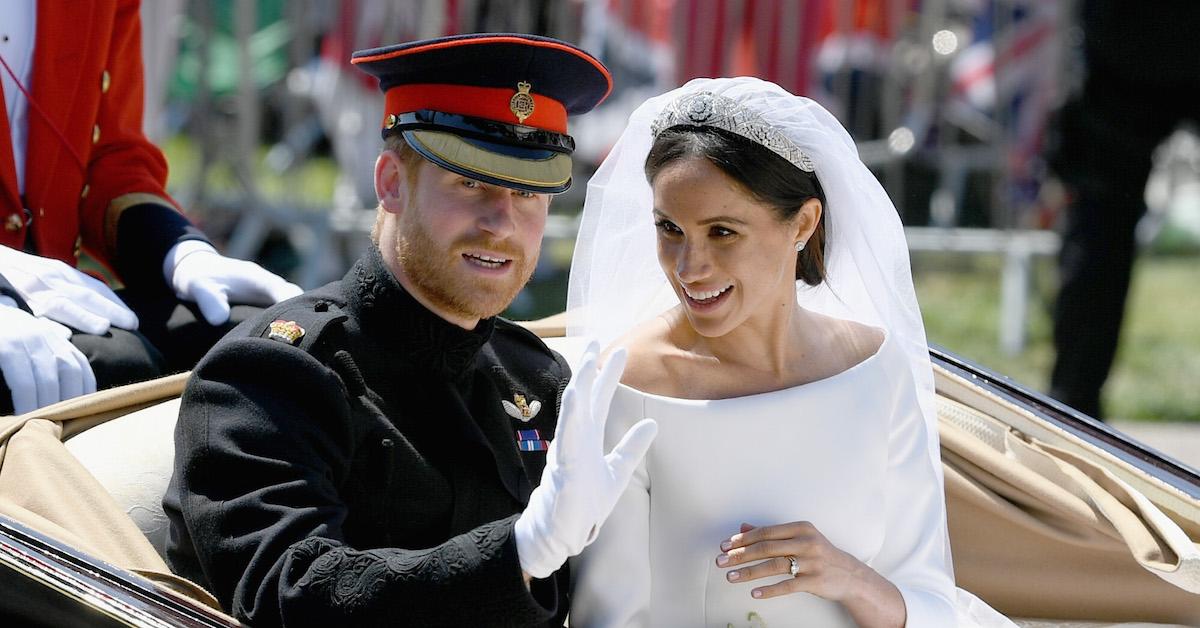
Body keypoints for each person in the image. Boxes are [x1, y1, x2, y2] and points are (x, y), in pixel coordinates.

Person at [163, 33, 657, 628]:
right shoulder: (273, 374)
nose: (502, 222)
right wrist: (521, 552)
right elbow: (292, 594)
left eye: (528, 192)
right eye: (470, 184)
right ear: (391, 182)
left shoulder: (533, 375)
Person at [566, 77, 1014, 627]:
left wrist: (849, 577)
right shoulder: (626, 382)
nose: (688, 267)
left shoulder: (877, 369)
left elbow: (927, 598)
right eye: (669, 228)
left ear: (803, 223)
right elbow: (607, 618)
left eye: (723, 232)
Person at [0, 0, 301, 416]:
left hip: (60, 297)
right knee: (121, 365)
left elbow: (113, 156)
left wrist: (181, 251)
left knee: (263, 339)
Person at [1047, 0, 1200, 420]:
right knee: (1100, 216)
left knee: (1100, 218)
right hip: (1126, 42)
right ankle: (1073, 408)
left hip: (1126, 37)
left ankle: (1073, 411)